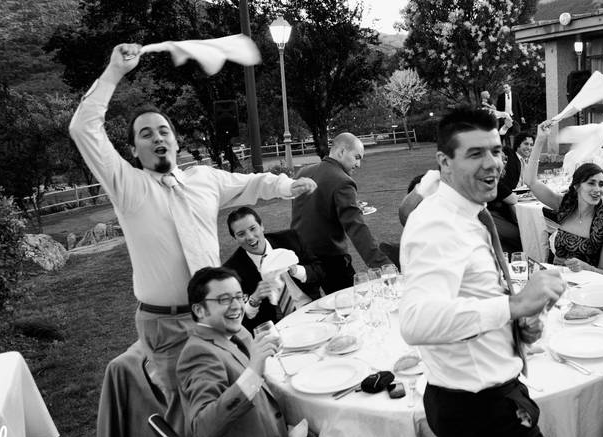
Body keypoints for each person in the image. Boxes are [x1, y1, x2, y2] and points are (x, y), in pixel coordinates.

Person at [68, 43, 316, 402]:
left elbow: (251, 183)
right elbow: (83, 128)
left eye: (163, 130)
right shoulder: (128, 186)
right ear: (134, 151)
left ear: (176, 140)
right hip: (166, 326)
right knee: (192, 410)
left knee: (257, 390)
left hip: (217, 314)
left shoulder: (204, 179)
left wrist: (286, 185)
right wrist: (114, 72)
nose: (158, 137)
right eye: (146, 134)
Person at [399, 106, 570, 437]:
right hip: (482, 412)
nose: (493, 163)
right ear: (444, 162)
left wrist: (518, 325)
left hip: (474, 404)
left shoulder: (469, 214)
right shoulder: (437, 224)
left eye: (495, 150)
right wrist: (511, 306)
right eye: (475, 154)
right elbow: (416, 321)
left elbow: (471, 295)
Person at [176, 266, 298, 437]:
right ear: (199, 310)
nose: (235, 306)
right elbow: (203, 429)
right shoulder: (198, 355)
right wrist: (254, 370)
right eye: (223, 299)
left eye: (238, 297)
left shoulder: (235, 332)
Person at [291, 133, 391, 293]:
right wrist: (383, 265)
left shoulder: (302, 172)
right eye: (357, 157)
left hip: (298, 258)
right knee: (352, 307)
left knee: (311, 311)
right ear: (341, 152)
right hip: (330, 260)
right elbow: (356, 228)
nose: (358, 164)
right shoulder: (342, 181)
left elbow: (309, 210)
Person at [523, 121, 603, 275]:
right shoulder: (565, 205)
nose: (597, 189)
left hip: (589, 289)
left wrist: (585, 267)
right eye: (591, 183)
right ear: (576, 186)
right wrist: (540, 140)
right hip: (557, 282)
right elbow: (531, 182)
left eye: (601, 184)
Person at [223, 207, 324, 331]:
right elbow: (240, 318)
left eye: (253, 228)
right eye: (241, 234)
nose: (249, 237)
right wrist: (254, 299)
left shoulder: (290, 239)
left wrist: (296, 270)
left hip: (311, 309)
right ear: (235, 238)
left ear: (262, 226)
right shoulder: (231, 270)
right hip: (277, 327)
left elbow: (320, 271)